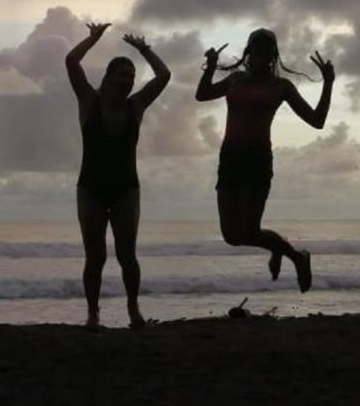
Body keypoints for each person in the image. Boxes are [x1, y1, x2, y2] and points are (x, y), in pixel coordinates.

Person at [195, 28, 334, 292]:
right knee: (232, 237)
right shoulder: (235, 80)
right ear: (249, 52)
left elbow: (317, 121)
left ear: (273, 56)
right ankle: (286, 252)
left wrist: (328, 84)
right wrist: (210, 67)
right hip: (230, 159)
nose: (262, 56)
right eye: (257, 50)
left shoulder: (281, 86)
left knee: (250, 229)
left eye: (267, 52)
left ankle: (296, 257)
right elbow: (202, 95)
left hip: (257, 160)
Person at [66, 22, 171, 328]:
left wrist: (144, 49)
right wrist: (93, 39)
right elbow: (71, 62)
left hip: (126, 189)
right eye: (121, 75)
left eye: (131, 77)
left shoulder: (135, 106)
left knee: (128, 255)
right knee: (95, 257)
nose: (127, 81)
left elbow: (164, 76)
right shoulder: (88, 102)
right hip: (90, 189)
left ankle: (133, 310)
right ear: (108, 77)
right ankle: (93, 314)